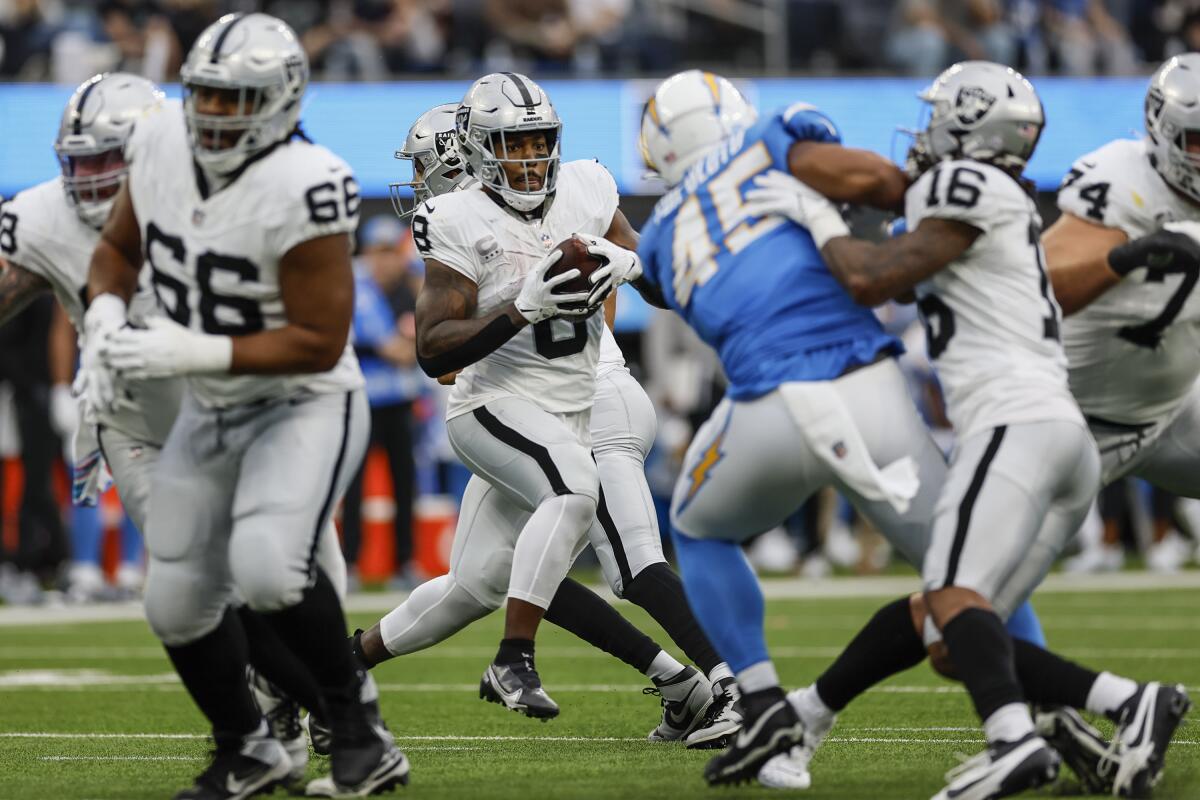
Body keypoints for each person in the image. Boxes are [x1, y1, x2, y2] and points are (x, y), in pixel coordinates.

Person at [766, 61, 1190, 799]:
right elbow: (899, 219)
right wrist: (1128, 252)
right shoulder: (1099, 178)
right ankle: (1079, 720)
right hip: (1080, 426)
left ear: (965, 130)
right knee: (953, 628)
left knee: (957, 611)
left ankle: (1042, 731)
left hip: (1064, 417)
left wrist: (798, 191)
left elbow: (870, 274)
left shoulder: (962, 187)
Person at [79, 15, 407, 799]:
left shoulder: (311, 181)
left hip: (304, 401)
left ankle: (358, 728)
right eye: (206, 98)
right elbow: (118, 249)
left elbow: (322, 340)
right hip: (215, 405)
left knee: (266, 569)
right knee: (175, 599)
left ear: (282, 100)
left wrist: (191, 352)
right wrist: (102, 316)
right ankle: (250, 747)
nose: (216, 116)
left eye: (236, 101)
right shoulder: (159, 141)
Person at [349, 101, 740, 747]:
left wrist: (620, 274)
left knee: (629, 556)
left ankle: (734, 685)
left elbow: (596, 309)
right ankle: (338, 666)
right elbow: (448, 351)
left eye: (425, 168)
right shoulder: (462, 226)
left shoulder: (555, 200)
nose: (420, 184)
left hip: (593, 396)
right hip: (517, 405)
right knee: (484, 578)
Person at [341, 215, 424, 588]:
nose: (385, 261)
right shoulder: (356, 288)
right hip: (362, 397)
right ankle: (350, 563)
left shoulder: (411, 287)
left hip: (400, 399)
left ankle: (404, 562)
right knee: (354, 485)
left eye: (391, 253)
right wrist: (403, 348)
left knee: (405, 482)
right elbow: (396, 348)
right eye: (379, 253)